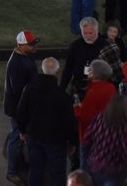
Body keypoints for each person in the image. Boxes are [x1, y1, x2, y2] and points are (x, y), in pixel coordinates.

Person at [16, 56, 77, 186]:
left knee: (35, 170)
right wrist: (73, 142)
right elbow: (69, 122)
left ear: (42, 70)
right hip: (55, 142)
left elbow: (21, 113)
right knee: (57, 173)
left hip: (34, 137)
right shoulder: (62, 97)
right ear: (57, 72)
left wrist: (22, 130)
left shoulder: (30, 89)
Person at [5, 30, 40, 186]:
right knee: (17, 139)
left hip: (22, 107)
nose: (34, 46)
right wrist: (25, 110)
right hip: (20, 109)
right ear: (21, 45)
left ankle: (19, 167)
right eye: (31, 44)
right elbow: (19, 90)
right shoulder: (17, 64)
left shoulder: (24, 57)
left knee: (19, 137)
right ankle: (12, 172)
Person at [73, 59, 116, 169]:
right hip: (106, 135)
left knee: (86, 169)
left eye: (90, 70)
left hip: (90, 136)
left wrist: (76, 107)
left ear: (95, 74)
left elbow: (84, 116)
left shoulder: (93, 92)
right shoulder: (111, 88)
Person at [83, 94, 127, 186]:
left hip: (95, 165)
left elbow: (87, 138)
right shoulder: (125, 126)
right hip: (114, 168)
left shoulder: (99, 118)